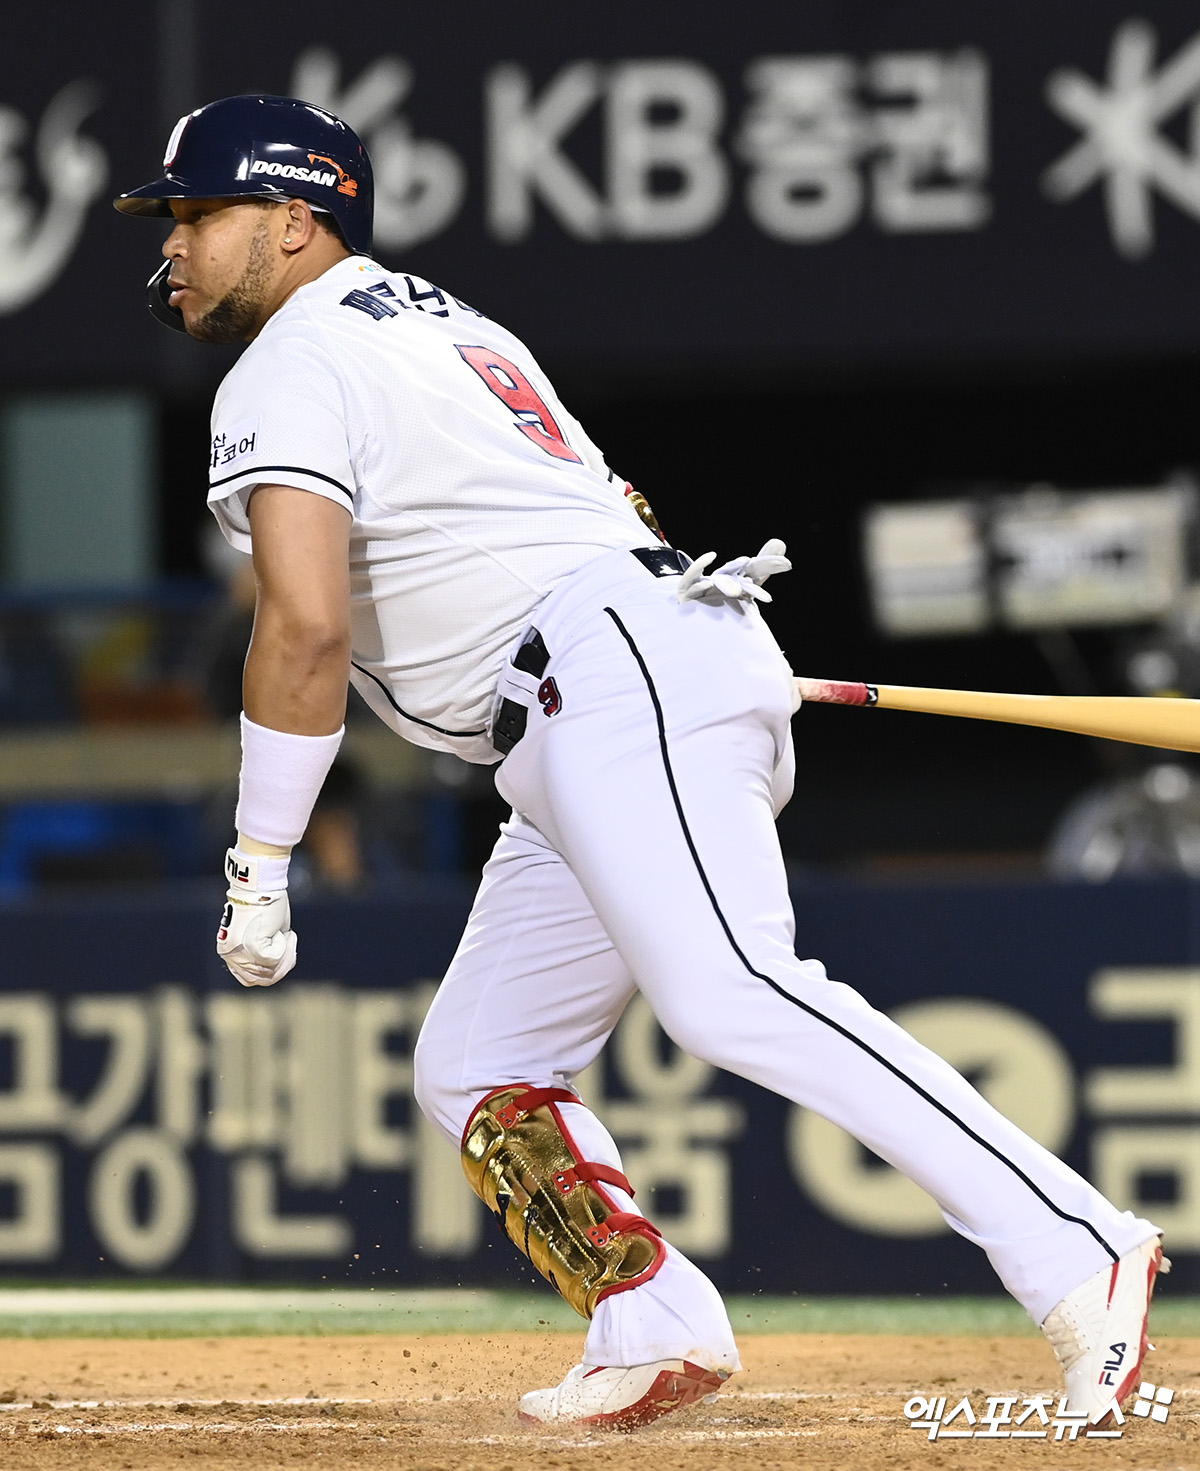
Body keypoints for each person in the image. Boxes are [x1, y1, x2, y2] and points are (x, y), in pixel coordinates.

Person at [115, 95, 1165, 1431]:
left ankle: (1076, 1246)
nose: (177, 244)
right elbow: (601, 510)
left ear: (291, 220)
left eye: (200, 213)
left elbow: (305, 627)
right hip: (600, 690)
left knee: (734, 991)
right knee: (479, 1063)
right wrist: (668, 656)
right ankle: (651, 1318)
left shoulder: (293, 360)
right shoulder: (445, 325)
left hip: (607, 679)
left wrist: (261, 859)